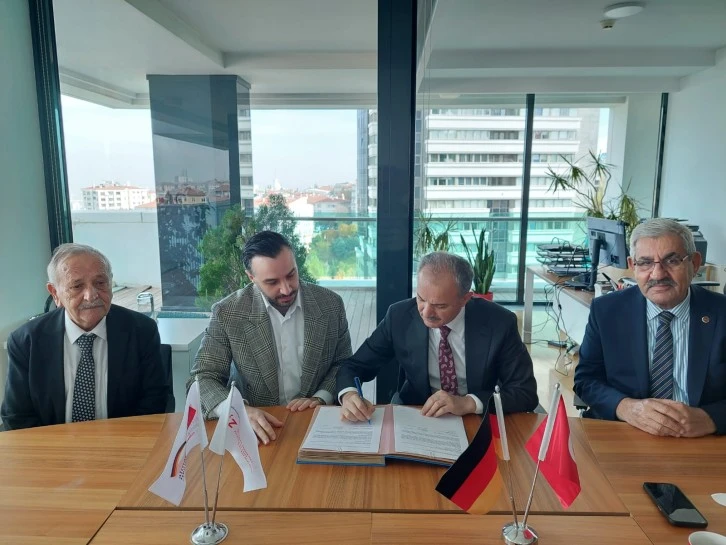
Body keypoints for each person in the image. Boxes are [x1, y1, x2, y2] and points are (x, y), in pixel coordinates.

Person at [190, 230, 352, 444]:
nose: (286, 289)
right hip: (256, 432)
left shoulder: (330, 304)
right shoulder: (228, 312)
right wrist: (237, 410)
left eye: (291, 275)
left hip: (316, 424)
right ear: (252, 278)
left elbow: (343, 363)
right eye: (272, 282)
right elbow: (202, 378)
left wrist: (321, 397)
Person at [337, 252, 538, 422]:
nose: (426, 312)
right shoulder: (399, 316)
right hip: (417, 411)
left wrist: (468, 403)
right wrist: (349, 395)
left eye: (440, 305)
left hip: (478, 418)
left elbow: (525, 392)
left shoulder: (499, 323)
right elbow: (354, 366)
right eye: (421, 299)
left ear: (466, 299)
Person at [574, 218, 726, 437]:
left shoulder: (721, 313)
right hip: (625, 434)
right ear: (632, 266)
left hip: (702, 440)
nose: (658, 274)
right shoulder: (606, 311)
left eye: (672, 261)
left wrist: (711, 418)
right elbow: (586, 380)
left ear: (694, 263)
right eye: (645, 263)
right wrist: (625, 407)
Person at [1, 244, 169, 430]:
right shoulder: (26, 341)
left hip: (124, 442)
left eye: (100, 283)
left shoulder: (141, 331)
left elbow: (155, 403)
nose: (91, 295)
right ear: (55, 293)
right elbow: (17, 416)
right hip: (52, 446)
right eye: (77, 286)